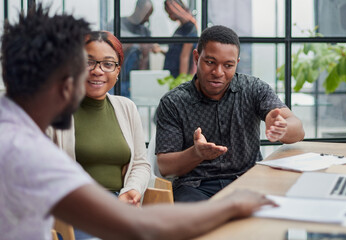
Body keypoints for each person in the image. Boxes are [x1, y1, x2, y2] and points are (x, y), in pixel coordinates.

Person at [0, 5, 277, 240]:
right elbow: (139, 225)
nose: (93, 76)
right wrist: (231, 205)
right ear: (63, 83)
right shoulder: (23, 152)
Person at [155, 25, 305, 202]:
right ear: (196, 57)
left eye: (228, 65)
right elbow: (165, 166)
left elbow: (299, 130)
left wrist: (283, 127)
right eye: (210, 62)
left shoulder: (253, 89)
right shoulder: (173, 102)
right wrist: (197, 153)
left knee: (274, 214)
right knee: (197, 222)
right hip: (196, 187)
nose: (218, 72)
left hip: (248, 181)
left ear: (237, 63)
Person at [47, 31, 151, 239]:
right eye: (89, 62)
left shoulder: (127, 108)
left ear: (118, 70)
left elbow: (140, 163)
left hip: (119, 205)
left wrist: (130, 191)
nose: (98, 71)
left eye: (108, 64)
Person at [152, 0, 198, 78]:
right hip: (170, 74)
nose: (169, 16)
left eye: (169, 13)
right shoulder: (180, 28)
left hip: (177, 75)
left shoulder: (190, 28)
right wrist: (160, 50)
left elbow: (185, 57)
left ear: (175, 10)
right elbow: (175, 53)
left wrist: (181, 81)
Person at [119, 0, 153, 97]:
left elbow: (146, 61)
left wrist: (146, 54)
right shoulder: (118, 24)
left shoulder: (145, 31)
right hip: (118, 80)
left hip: (136, 82)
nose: (147, 19)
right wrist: (135, 43)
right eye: (146, 15)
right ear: (138, 9)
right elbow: (110, 49)